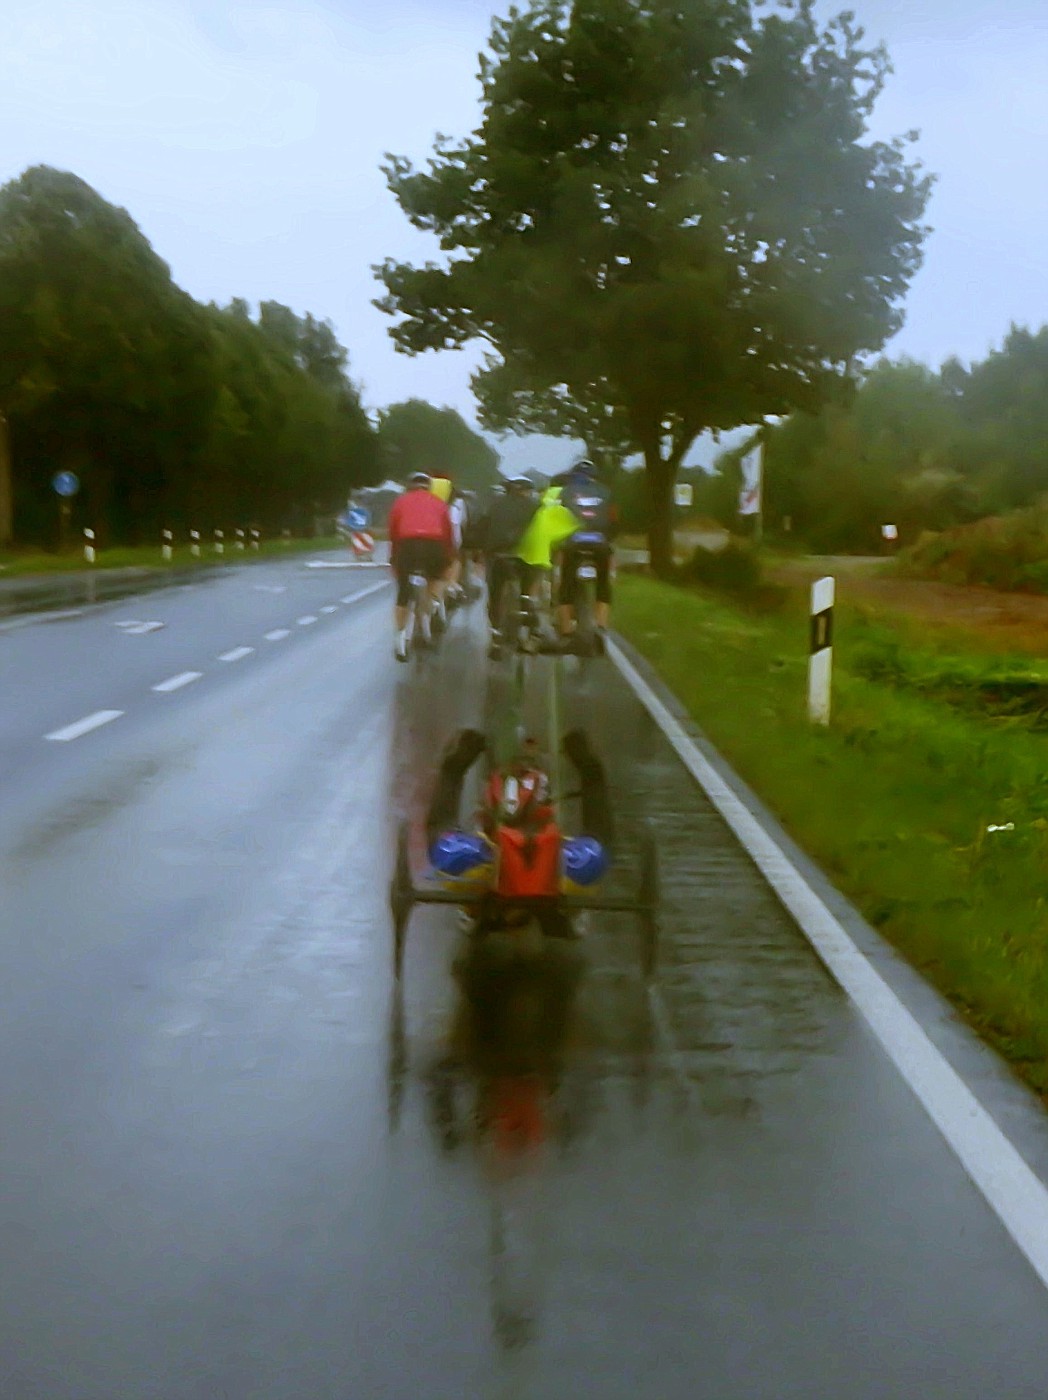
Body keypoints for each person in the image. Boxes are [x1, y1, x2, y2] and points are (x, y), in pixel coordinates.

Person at [426, 727, 614, 939]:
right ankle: (590, 769)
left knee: (441, 836)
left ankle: (453, 767)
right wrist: (590, 769)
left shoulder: (466, 859)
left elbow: (441, 836)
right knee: (599, 846)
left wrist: (453, 768)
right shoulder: (578, 863)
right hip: (550, 875)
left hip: (491, 870)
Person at [387, 471, 454, 661]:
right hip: (434, 546)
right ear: (429, 487)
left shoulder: (400, 502)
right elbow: (448, 535)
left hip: (408, 546)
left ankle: (400, 642)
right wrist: (448, 558)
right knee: (436, 578)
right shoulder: (439, 503)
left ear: (409, 486)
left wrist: (394, 559)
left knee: (403, 594)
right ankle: (433, 604)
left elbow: (393, 533)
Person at [472, 476, 541, 655]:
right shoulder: (537, 507)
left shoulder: (494, 505)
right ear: (527, 491)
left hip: (497, 555)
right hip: (525, 557)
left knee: (494, 596)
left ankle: (495, 637)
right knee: (531, 585)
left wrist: (477, 550)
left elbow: (481, 528)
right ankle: (529, 613)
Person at [557, 458, 617, 653]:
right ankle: (600, 627)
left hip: (573, 544)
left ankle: (566, 631)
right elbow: (614, 521)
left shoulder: (565, 493)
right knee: (603, 586)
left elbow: (558, 520)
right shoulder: (607, 493)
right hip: (600, 544)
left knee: (565, 586)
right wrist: (609, 540)